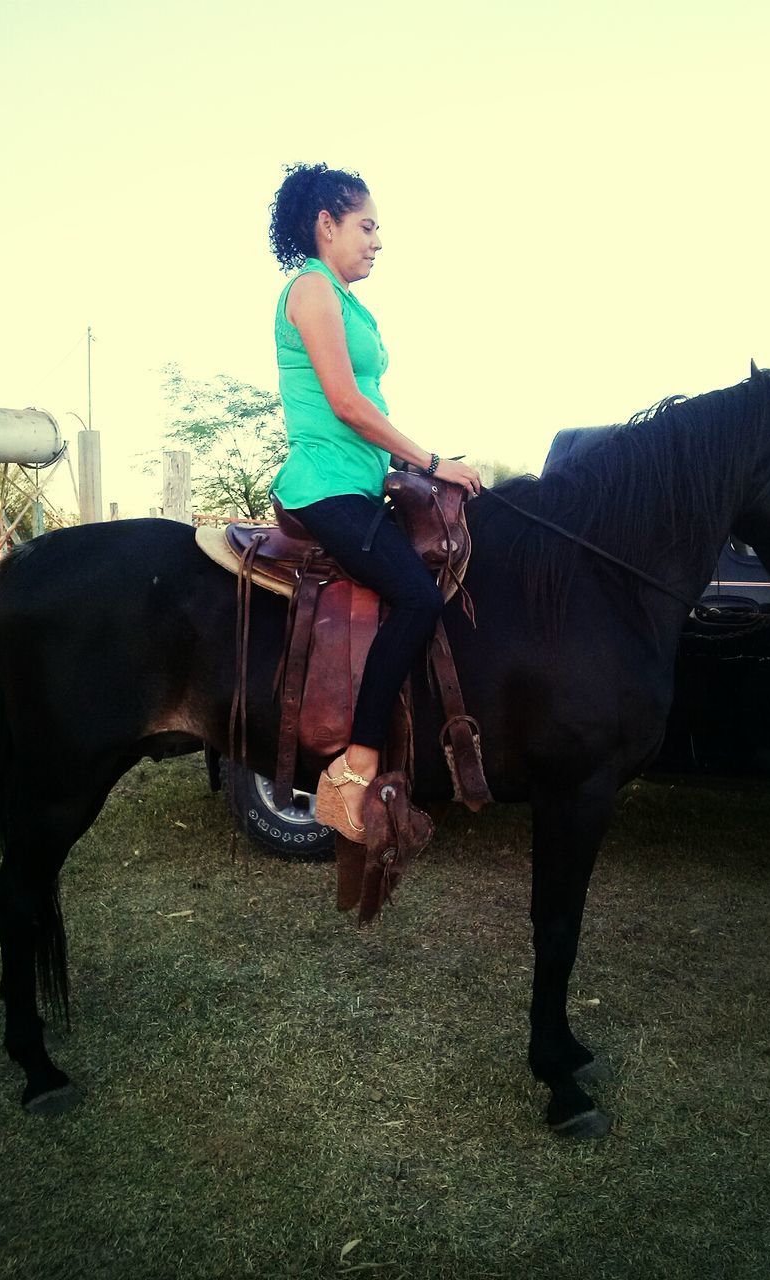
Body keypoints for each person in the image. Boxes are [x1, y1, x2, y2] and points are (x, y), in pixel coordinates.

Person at [268, 162, 480, 841]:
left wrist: (423, 469)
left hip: (358, 483)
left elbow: (371, 408)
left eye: (378, 228)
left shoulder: (348, 300)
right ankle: (352, 770)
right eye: (366, 225)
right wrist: (432, 460)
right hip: (323, 487)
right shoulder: (310, 290)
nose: (377, 240)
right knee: (418, 597)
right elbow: (348, 404)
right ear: (325, 226)